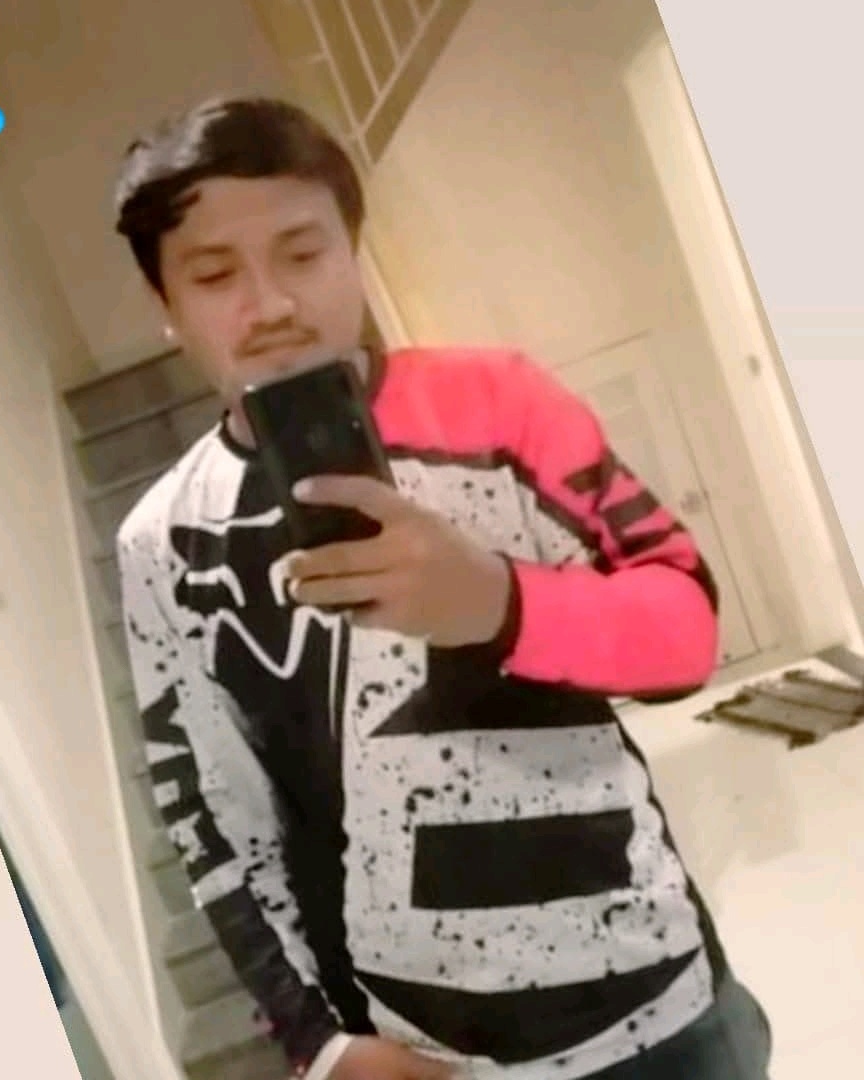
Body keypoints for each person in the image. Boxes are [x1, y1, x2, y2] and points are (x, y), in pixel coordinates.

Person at [112, 97, 772, 1080]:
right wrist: (317, 1045)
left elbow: (688, 630)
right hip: (425, 1051)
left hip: (655, 1002)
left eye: (303, 253)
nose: (271, 304)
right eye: (214, 276)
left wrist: (501, 605)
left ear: (352, 250)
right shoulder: (162, 542)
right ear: (165, 304)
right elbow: (209, 814)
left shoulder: (497, 402)